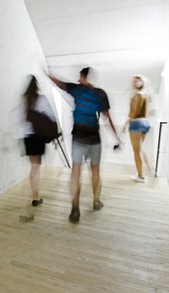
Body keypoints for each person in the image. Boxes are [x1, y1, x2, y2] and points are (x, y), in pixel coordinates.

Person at [49, 67, 120, 223]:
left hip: (79, 138)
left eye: (79, 77)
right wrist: (117, 138)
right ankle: (96, 200)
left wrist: (47, 72)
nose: (77, 79)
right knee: (95, 170)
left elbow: (57, 83)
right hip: (94, 138)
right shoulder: (100, 94)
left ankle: (75, 208)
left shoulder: (77, 89)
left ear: (82, 76)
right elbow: (107, 118)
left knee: (76, 171)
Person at [22, 75, 57, 207]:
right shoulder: (41, 99)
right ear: (36, 85)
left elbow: (19, 121)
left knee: (33, 166)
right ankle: (35, 197)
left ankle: (35, 195)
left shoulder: (24, 100)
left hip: (27, 137)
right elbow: (51, 118)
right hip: (38, 137)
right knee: (36, 167)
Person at [123, 76, 151, 183]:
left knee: (136, 151)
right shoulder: (145, 94)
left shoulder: (137, 95)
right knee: (140, 149)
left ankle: (140, 176)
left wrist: (126, 123)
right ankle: (149, 169)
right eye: (133, 81)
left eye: (137, 81)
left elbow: (134, 111)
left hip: (136, 123)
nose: (134, 82)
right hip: (145, 122)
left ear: (142, 83)